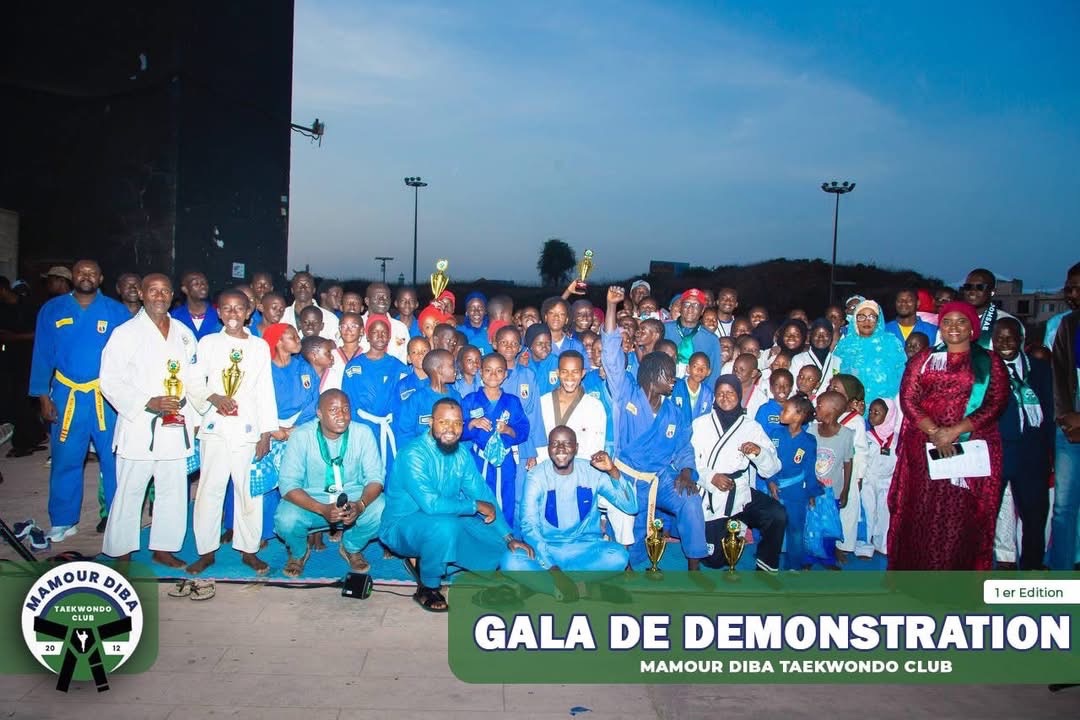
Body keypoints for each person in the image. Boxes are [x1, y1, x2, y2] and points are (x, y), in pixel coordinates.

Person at [380, 398, 534, 612]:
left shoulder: (461, 454)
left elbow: (483, 495)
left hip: (446, 517)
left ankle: (432, 560)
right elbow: (432, 505)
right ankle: (428, 585)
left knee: (499, 545)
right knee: (445, 527)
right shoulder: (413, 454)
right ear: (431, 423)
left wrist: (508, 536)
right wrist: (475, 506)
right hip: (402, 527)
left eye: (457, 423)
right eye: (444, 422)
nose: (451, 429)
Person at [888, 301, 1009, 570]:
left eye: (961, 321)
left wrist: (954, 431)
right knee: (923, 513)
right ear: (939, 327)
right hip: (924, 449)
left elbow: (996, 402)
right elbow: (909, 399)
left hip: (970, 449)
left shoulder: (990, 362)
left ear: (972, 327)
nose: (954, 327)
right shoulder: (925, 359)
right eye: (947, 321)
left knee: (960, 515)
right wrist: (934, 432)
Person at [603, 286, 707, 568]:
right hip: (625, 476)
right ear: (651, 375)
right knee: (630, 535)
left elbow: (684, 445)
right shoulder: (626, 394)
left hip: (658, 478)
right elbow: (612, 358)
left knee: (690, 499)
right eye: (669, 375)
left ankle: (695, 563)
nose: (674, 380)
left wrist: (686, 470)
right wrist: (611, 307)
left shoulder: (674, 411)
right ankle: (628, 567)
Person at [30, 259, 131, 541]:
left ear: (100, 279)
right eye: (80, 272)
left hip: (106, 396)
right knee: (66, 458)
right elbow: (42, 354)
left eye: (92, 273)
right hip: (66, 394)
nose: (86, 276)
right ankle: (63, 520)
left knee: (114, 459)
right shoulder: (53, 309)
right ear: (72, 277)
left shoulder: (115, 310)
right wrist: (42, 396)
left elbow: (130, 356)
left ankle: (115, 516)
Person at [99, 273, 196, 567]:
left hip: (175, 423)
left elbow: (192, 378)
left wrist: (195, 416)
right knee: (131, 489)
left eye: (165, 290)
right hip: (140, 424)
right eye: (153, 290)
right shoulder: (125, 333)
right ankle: (121, 551)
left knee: (173, 489)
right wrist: (147, 402)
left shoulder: (182, 332)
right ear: (141, 294)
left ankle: (163, 547)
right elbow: (109, 381)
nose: (160, 295)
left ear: (171, 296)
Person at [186, 289, 278, 576]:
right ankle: (206, 550)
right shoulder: (208, 343)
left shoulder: (259, 346)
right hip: (215, 426)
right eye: (227, 308)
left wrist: (266, 432)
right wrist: (214, 398)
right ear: (219, 312)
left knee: (247, 491)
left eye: (239, 309)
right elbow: (193, 381)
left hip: (248, 428)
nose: (233, 314)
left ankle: (249, 549)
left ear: (249, 312)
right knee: (209, 490)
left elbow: (265, 390)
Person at [501, 427, 638, 597]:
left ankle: (545, 586)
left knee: (618, 557)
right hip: (547, 548)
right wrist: (554, 569)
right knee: (510, 560)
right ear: (549, 448)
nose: (560, 449)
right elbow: (529, 526)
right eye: (555, 444)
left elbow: (631, 507)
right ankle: (583, 589)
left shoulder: (593, 472)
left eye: (567, 444)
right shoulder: (536, 476)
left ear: (576, 447)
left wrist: (613, 471)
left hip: (583, 548)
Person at [275, 389, 385, 577]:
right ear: (319, 413)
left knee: (382, 509)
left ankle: (351, 547)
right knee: (286, 519)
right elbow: (288, 485)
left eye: (345, 409)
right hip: (312, 500)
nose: (341, 415)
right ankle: (299, 553)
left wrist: (360, 505)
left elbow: (376, 479)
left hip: (353, 497)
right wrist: (322, 508)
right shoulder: (301, 436)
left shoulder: (363, 433)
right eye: (333, 410)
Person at [692, 374, 786, 572]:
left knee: (776, 514)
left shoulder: (751, 426)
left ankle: (766, 564)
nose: (725, 397)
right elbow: (687, 463)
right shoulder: (700, 424)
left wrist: (759, 453)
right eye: (720, 394)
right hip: (711, 493)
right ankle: (732, 527)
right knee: (715, 560)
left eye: (731, 393)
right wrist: (711, 477)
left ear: (740, 395)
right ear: (714, 397)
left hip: (740, 492)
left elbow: (773, 467)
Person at [991, 317, 1054, 570]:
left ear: (1021, 339)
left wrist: (1052, 456)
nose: (1005, 343)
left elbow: (1050, 412)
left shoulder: (1039, 369)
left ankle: (1032, 567)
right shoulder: (984, 370)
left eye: (1010, 337)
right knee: (986, 516)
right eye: (999, 338)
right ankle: (980, 570)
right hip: (997, 452)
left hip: (1032, 453)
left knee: (1034, 516)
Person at [461, 353, 530, 524]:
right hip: (478, 459)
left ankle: (505, 537)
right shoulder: (470, 400)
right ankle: (479, 538)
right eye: (488, 370)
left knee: (506, 497)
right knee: (478, 496)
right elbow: (458, 430)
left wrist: (508, 429)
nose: (493, 375)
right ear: (481, 373)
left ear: (505, 375)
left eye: (499, 371)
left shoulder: (512, 401)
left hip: (504, 460)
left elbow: (523, 429)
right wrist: (472, 423)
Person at [341, 315, 408, 469]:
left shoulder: (399, 367)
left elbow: (403, 404)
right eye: (375, 332)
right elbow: (348, 401)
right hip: (361, 427)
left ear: (390, 337)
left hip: (389, 428)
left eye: (384, 332)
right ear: (367, 335)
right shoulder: (353, 367)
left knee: (389, 472)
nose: (380, 336)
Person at [765, 395, 819, 570]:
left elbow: (809, 469)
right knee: (772, 529)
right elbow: (768, 461)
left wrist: (811, 492)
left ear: (799, 415)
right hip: (775, 489)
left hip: (796, 493)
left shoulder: (809, 441)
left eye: (785, 410)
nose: (781, 413)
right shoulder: (775, 434)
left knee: (796, 530)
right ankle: (767, 561)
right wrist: (770, 481)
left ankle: (794, 565)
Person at [1050, 261, 1080, 570]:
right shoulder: (1068, 326)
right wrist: (1067, 416)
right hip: (1070, 423)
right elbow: (1059, 373)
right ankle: (1061, 577)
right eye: (1069, 287)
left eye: (1077, 287)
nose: (1072, 293)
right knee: (1063, 508)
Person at [808, 391, 856, 568]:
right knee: (811, 525)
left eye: (819, 405)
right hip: (812, 489)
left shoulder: (846, 435)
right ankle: (809, 558)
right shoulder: (812, 430)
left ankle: (828, 558)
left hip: (832, 491)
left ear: (833, 410)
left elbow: (848, 463)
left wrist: (845, 490)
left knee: (829, 526)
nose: (816, 408)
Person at [833, 299, 906, 413]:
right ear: (855, 320)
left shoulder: (891, 343)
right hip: (851, 408)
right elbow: (836, 374)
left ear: (878, 320)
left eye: (872, 317)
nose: (867, 321)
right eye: (861, 317)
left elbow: (901, 374)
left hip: (884, 407)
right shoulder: (845, 345)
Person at [826, 374, 870, 560]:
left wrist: (858, 476)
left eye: (836, 388)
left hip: (847, 472)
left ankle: (844, 544)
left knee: (847, 508)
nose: (831, 390)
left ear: (850, 397)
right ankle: (826, 543)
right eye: (830, 386)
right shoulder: (824, 412)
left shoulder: (855, 420)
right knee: (827, 507)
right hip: (827, 469)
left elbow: (861, 450)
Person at [493, 325, 543, 469]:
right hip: (492, 441)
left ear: (520, 347)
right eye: (504, 343)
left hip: (522, 444)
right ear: (496, 345)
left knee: (519, 486)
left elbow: (534, 414)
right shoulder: (486, 373)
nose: (509, 347)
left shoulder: (528, 375)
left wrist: (531, 451)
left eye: (514, 343)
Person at [392, 348, 461, 453]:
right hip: (421, 455)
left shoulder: (456, 397)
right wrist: (411, 457)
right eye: (452, 366)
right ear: (439, 370)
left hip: (449, 454)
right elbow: (404, 433)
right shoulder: (416, 399)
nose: (455, 369)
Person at [856, 398, 901, 558]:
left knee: (884, 512)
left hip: (887, 481)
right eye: (871, 411)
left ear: (889, 415)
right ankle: (864, 546)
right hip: (868, 479)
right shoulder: (867, 436)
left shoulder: (897, 439)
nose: (872, 415)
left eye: (877, 412)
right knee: (868, 511)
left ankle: (882, 545)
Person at [664, 289, 722, 391]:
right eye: (686, 304)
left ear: (702, 310)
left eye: (696, 305)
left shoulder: (711, 340)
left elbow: (714, 374)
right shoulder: (663, 330)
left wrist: (704, 397)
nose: (690, 309)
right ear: (680, 307)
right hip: (664, 389)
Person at [960, 268, 1014, 350]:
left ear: (992, 292)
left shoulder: (1007, 322)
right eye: (968, 287)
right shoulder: (952, 320)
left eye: (980, 287)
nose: (972, 291)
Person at [281, 272, 339, 341]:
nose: (303, 288)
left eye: (307, 285)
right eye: (299, 285)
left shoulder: (330, 319)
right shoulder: (281, 316)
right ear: (292, 290)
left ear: (314, 290)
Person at [791, 319, 841, 396]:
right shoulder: (798, 359)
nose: (821, 337)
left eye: (825, 334)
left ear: (831, 337)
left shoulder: (838, 361)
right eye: (816, 334)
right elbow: (793, 387)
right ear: (811, 336)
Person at [672, 352, 714, 421]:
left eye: (703, 367)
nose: (699, 370)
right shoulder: (676, 386)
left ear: (708, 372)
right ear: (688, 369)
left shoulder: (708, 394)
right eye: (695, 366)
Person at [755, 368, 793, 433]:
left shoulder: (795, 409)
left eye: (786, 385)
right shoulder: (764, 409)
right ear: (771, 388)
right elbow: (758, 432)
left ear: (791, 388)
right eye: (777, 385)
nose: (782, 388)